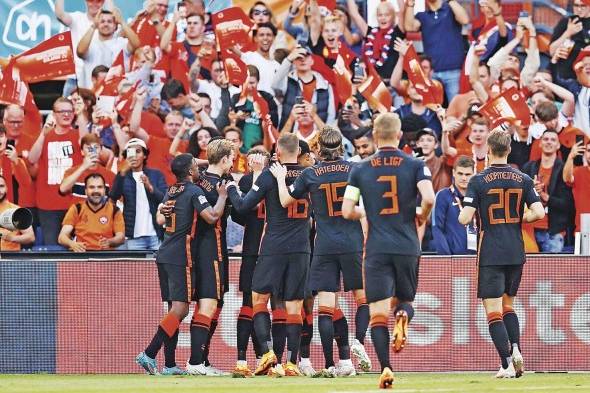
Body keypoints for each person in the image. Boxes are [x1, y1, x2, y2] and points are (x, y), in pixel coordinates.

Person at [342, 113, 435, 389]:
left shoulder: (359, 169)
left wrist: (367, 211)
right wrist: (421, 214)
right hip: (407, 244)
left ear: (374, 137)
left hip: (377, 248)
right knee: (405, 300)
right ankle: (404, 316)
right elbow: (429, 197)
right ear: (399, 135)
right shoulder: (416, 164)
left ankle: (385, 368)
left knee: (378, 313)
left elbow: (347, 210)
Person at [269, 126, 370, 376]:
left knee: (325, 306)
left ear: (317, 148)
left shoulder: (310, 173)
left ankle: (332, 365)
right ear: (341, 146)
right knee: (363, 297)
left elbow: (285, 201)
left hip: (324, 245)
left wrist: (282, 179)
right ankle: (357, 343)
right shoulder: (355, 170)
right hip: (353, 241)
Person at [458, 129, 545, 378]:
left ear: (488, 150)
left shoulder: (478, 180)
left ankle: (506, 363)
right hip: (516, 250)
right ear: (508, 150)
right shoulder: (523, 179)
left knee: (493, 310)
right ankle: (516, 348)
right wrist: (520, 217)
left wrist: (465, 213)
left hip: (491, 251)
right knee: (509, 305)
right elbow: (539, 213)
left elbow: (465, 218)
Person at [135, 153, 227, 375]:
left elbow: (161, 218)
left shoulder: (170, 190)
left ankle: (169, 365)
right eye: (196, 166)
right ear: (189, 171)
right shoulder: (195, 191)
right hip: (180, 255)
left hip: (165, 252)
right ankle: (149, 353)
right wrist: (222, 196)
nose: (199, 169)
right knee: (181, 308)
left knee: (172, 311)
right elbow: (212, 217)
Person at [227, 133, 311, 377]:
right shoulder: (309, 174)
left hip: (274, 245)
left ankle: (266, 353)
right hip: (301, 246)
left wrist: (232, 187)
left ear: (278, 152)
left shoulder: (270, 174)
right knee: (295, 305)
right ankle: (292, 363)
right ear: (298, 151)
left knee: (259, 298)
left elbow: (243, 206)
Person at [186, 139, 234, 376]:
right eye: (231, 158)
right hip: (212, 248)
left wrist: (211, 158)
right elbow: (242, 209)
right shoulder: (221, 185)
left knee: (215, 302)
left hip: (199, 247)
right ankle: (196, 361)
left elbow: (189, 161)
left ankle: (201, 361)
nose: (233, 162)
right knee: (209, 302)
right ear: (224, 160)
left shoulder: (198, 177)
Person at [231, 146, 270, 377]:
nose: (258, 159)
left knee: (276, 303)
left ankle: (268, 356)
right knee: (250, 302)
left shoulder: (277, 177)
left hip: (273, 249)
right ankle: (242, 358)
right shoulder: (247, 180)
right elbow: (239, 211)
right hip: (254, 247)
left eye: (262, 155)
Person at [28, 97, 83, 246]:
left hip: (74, 204)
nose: (66, 115)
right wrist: (43, 134)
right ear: (54, 114)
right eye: (61, 111)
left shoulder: (78, 135)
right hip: (48, 205)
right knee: (53, 249)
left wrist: (82, 113)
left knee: (77, 249)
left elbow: (87, 143)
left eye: (69, 111)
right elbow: (32, 159)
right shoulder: (45, 135)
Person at [403, 0, 469, 101]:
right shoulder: (423, 16)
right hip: (431, 72)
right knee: (431, 108)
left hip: (453, 70)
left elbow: (464, 20)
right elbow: (409, 27)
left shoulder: (450, 9)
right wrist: (410, 4)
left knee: (455, 109)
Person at [521, 130, 574, 253]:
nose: (549, 142)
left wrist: (546, 197)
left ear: (558, 145)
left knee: (551, 272)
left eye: (553, 139)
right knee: (529, 271)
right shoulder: (528, 167)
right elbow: (517, 197)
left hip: (554, 232)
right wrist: (531, 190)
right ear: (540, 143)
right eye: (546, 139)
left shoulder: (564, 170)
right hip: (530, 230)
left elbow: (569, 204)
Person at [109, 138, 167, 250]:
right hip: (133, 236)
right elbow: (113, 196)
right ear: (126, 156)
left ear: (144, 155)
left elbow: (165, 199)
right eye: (130, 152)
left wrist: (150, 187)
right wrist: (122, 173)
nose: (134, 155)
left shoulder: (156, 174)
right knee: (136, 267)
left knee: (158, 267)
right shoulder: (122, 176)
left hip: (156, 234)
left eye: (138, 151)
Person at [76, 8, 140, 89]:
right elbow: (80, 52)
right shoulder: (90, 44)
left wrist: (122, 22)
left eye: (109, 22)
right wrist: (93, 26)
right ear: (97, 25)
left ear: (115, 26)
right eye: (102, 21)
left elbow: (136, 45)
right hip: (92, 95)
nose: (106, 24)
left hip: (116, 94)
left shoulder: (122, 43)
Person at [58, 173, 125, 251]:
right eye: (92, 187)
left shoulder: (114, 210)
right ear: (86, 191)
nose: (96, 191)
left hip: (106, 258)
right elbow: (62, 237)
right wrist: (72, 244)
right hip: (82, 256)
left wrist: (110, 242)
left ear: (104, 190)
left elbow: (121, 237)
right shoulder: (77, 208)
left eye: (99, 187)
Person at [432, 155, 476, 255]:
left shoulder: (477, 197)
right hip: (452, 258)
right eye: (460, 173)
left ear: (473, 175)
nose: (464, 178)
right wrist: (446, 259)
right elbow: (437, 228)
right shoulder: (443, 196)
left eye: (468, 174)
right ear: (453, 173)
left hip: (476, 258)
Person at [60, 133, 115, 203]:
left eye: (96, 147)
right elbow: (62, 189)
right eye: (89, 148)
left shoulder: (110, 175)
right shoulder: (71, 172)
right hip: (77, 213)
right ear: (82, 152)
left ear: (101, 151)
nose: (92, 151)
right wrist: (83, 167)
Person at [0, 175, 35, 251]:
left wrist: (12, 238)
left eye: (1, 186)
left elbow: (30, 237)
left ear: (6, 188)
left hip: (10, 258)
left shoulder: (16, 210)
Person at [563, 138, 590, 233]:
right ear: (585, 153)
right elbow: (566, 178)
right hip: (584, 229)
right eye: (589, 151)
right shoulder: (579, 171)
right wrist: (571, 156)